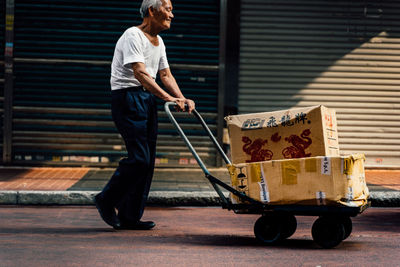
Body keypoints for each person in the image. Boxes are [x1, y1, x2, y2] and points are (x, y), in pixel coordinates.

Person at [94, 0, 195, 230]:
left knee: (147, 162)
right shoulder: (133, 35)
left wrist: (182, 97)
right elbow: (140, 72)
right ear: (152, 10)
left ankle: (130, 216)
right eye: (168, 9)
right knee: (139, 158)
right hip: (128, 98)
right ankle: (106, 199)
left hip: (146, 100)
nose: (172, 14)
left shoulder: (159, 42)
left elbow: (165, 74)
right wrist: (168, 99)